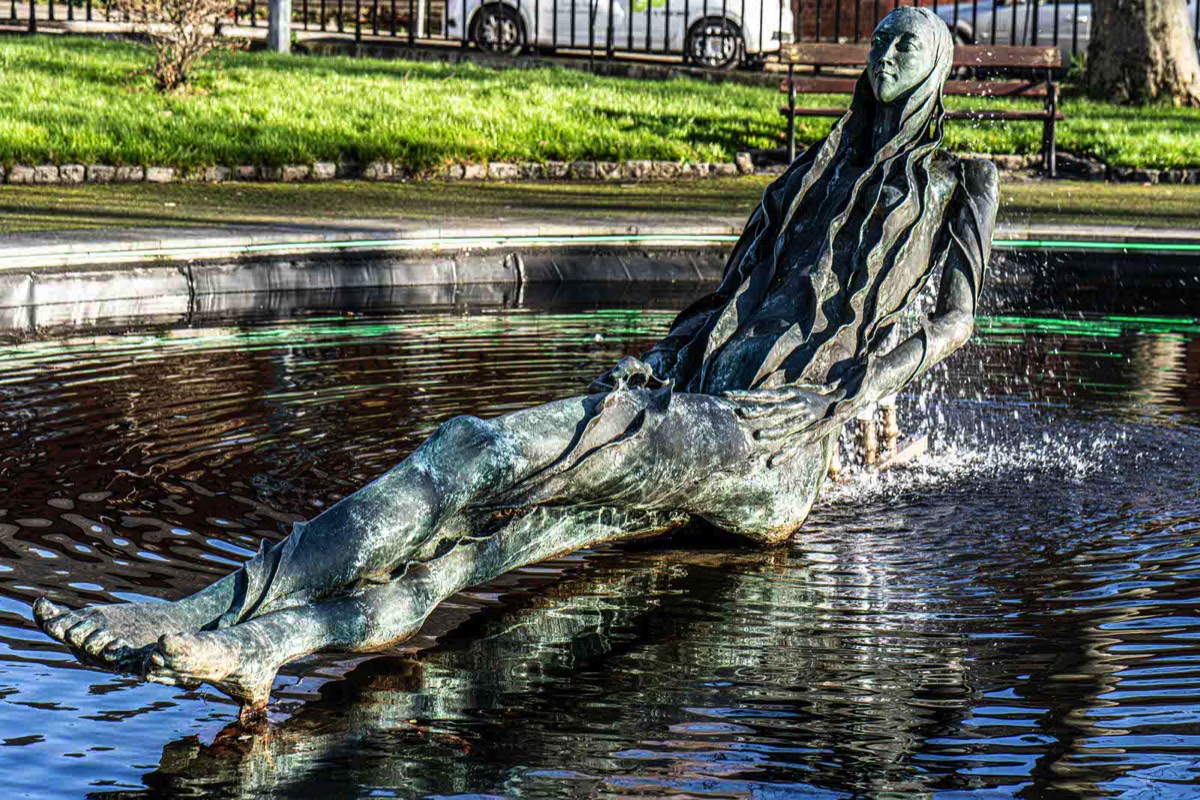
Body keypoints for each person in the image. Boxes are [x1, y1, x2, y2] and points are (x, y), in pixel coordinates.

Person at [34, 6, 998, 716]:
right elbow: (727, 295)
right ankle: (259, 643)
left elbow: (954, 319)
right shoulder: (811, 173)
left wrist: (840, 400)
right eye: (881, 37)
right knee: (490, 539)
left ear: (941, 66)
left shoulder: (962, 181)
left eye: (909, 41)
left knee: (471, 454)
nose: (886, 51)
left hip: (769, 437)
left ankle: (201, 601)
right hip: (697, 400)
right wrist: (662, 360)